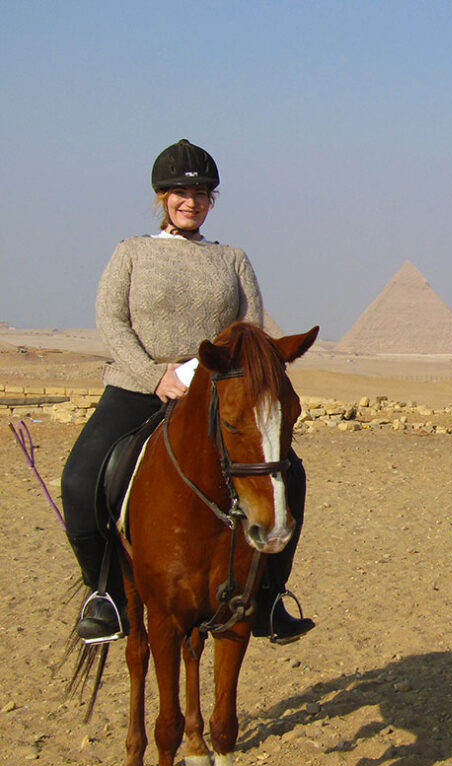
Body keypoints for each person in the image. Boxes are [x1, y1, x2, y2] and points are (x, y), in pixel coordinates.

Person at [61, 139, 315, 644]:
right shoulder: (132, 252)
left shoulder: (233, 259)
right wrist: (155, 376)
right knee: (79, 481)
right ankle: (106, 595)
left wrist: (205, 375)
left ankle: (268, 598)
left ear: (211, 201)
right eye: (180, 192)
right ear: (162, 198)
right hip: (138, 387)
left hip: (212, 393)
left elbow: (250, 329)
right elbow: (111, 320)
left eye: (202, 193)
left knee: (292, 476)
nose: (191, 201)